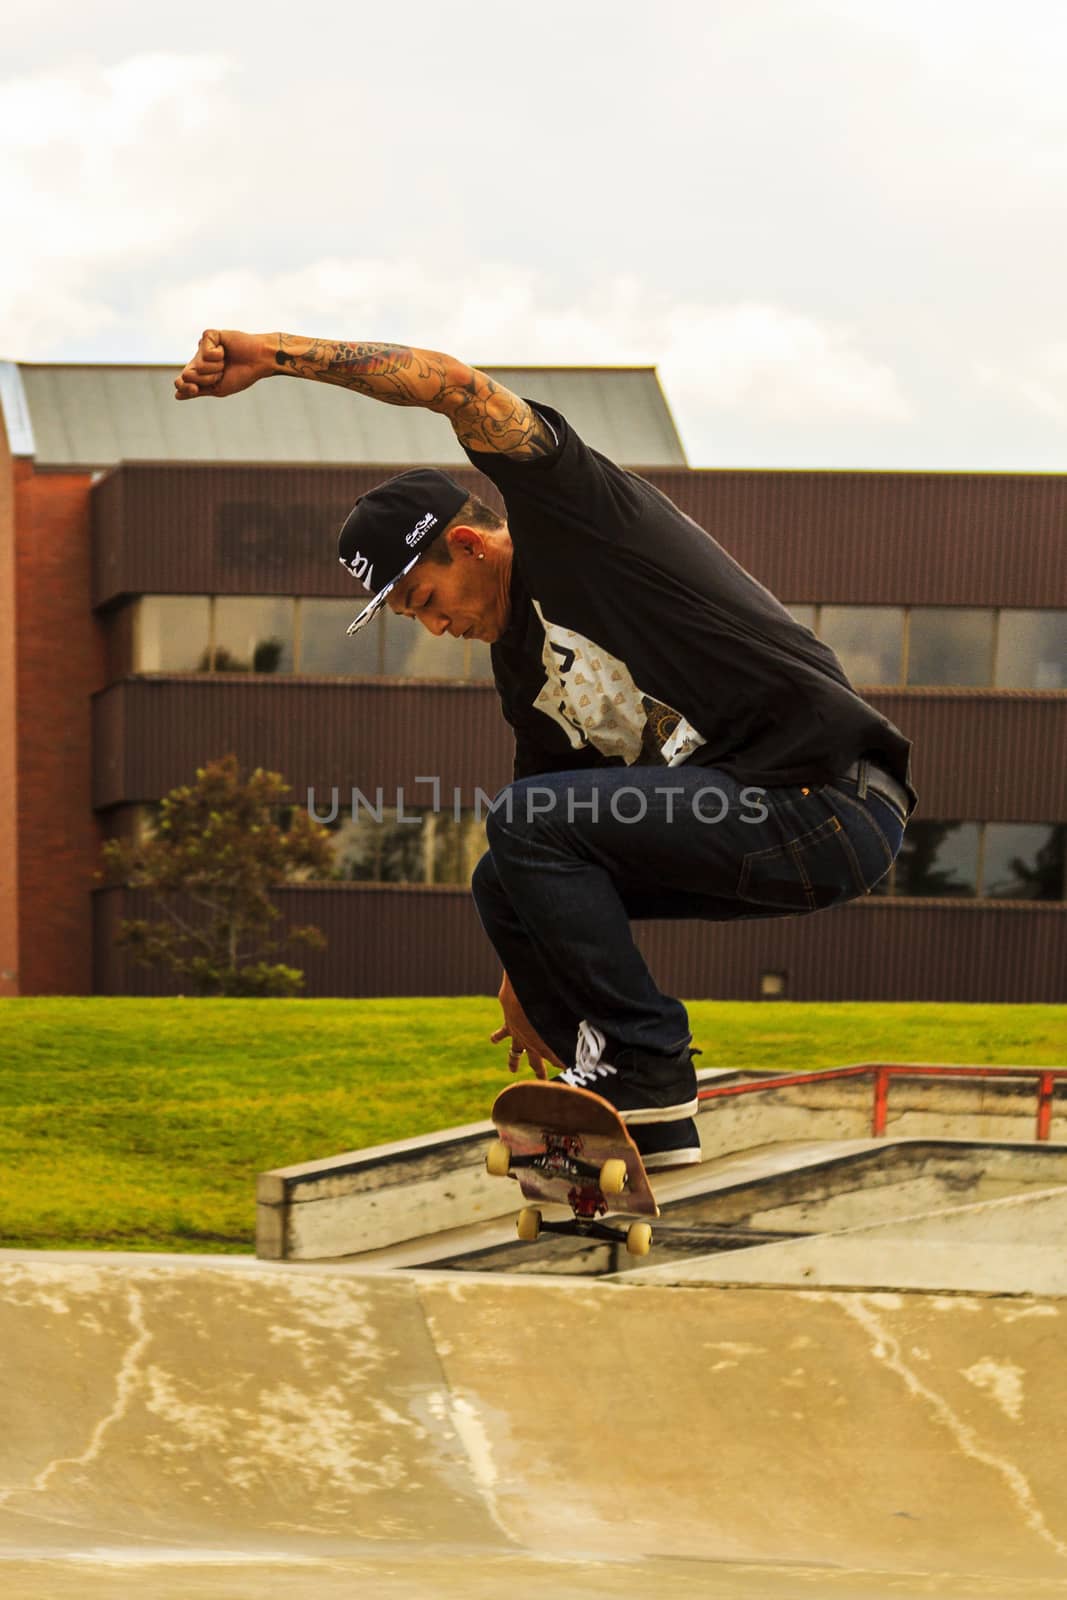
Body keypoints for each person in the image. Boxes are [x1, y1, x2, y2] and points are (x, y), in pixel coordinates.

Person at [176, 329, 916, 1171]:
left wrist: (277, 356)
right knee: (502, 869)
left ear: (468, 544)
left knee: (522, 821)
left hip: (823, 800)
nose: (434, 625)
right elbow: (544, 849)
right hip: (743, 821)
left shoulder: (579, 523)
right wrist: (529, 974)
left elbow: (455, 386)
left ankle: (647, 1063)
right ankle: (630, 1106)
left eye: (423, 599)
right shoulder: (522, 668)